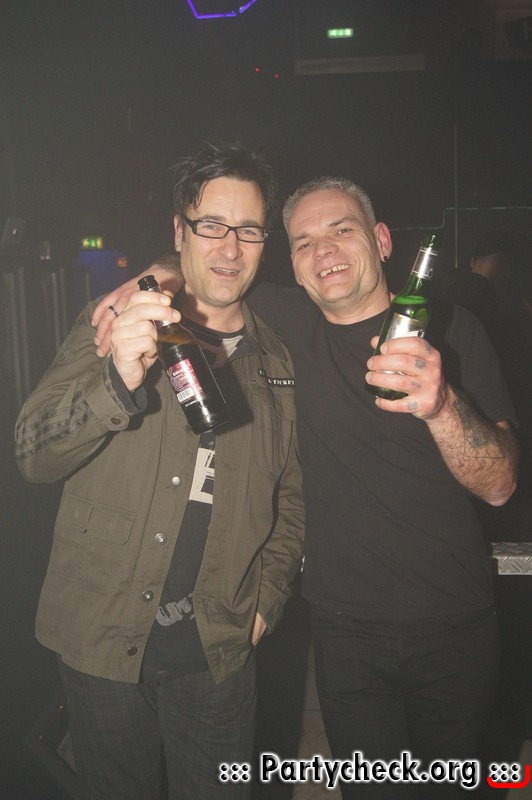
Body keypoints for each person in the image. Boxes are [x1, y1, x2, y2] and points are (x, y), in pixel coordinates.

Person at [93, 175, 519, 798]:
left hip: (454, 620)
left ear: (381, 240)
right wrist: (155, 276)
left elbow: (501, 485)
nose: (324, 251)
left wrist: (441, 404)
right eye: (303, 242)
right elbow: (211, 266)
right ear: (290, 264)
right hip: (344, 629)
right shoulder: (283, 322)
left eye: (342, 229)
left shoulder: (455, 332)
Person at [14, 143, 305, 800]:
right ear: (179, 231)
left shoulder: (277, 358)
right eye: (211, 225)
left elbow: (293, 497)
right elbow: (33, 452)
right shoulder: (116, 321)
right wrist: (117, 379)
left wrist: (268, 598)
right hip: (103, 634)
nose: (229, 248)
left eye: (249, 230)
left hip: (219, 649)